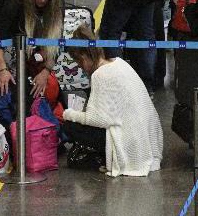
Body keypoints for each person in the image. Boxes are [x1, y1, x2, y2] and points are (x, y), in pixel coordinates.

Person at [62, 24, 163, 177]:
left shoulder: (101, 74)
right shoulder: (118, 62)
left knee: (70, 126)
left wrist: (69, 114)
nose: (81, 68)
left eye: (79, 63)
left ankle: (102, 156)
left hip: (128, 141)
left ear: (83, 56)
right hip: (145, 138)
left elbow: (99, 119)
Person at [0, 0, 67, 105]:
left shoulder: (57, 1)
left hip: (36, 18)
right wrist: (2, 70)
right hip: (8, 12)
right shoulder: (12, 2)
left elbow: (56, 42)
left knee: (46, 77)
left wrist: (46, 71)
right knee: (11, 78)